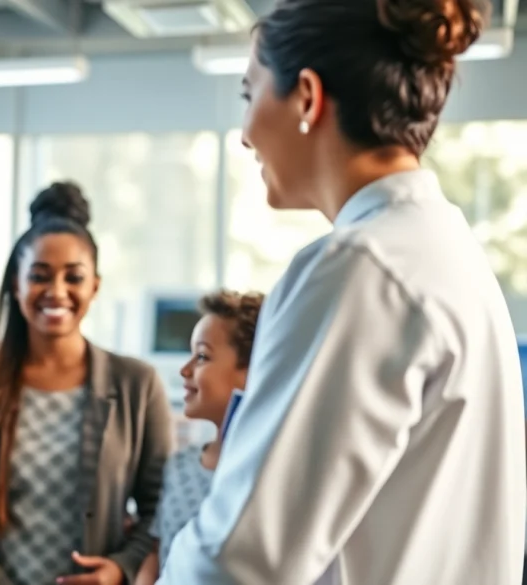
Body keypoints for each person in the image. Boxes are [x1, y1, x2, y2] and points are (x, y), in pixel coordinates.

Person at [158, 1, 526, 584]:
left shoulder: (360, 266)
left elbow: (241, 560)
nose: (246, 135)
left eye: (249, 95)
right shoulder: (443, 248)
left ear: (306, 96)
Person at [0, 182, 174, 585]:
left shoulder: (138, 384)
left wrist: (121, 568)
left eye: (73, 277)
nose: (57, 292)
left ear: (94, 286)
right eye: (40, 276)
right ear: (17, 284)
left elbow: (161, 506)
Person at [134, 290, 264, 585]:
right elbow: (157, 554)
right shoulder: (179, 466)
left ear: (254, 369)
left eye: (202, 356)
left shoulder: (268, 476)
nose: (185, 369)